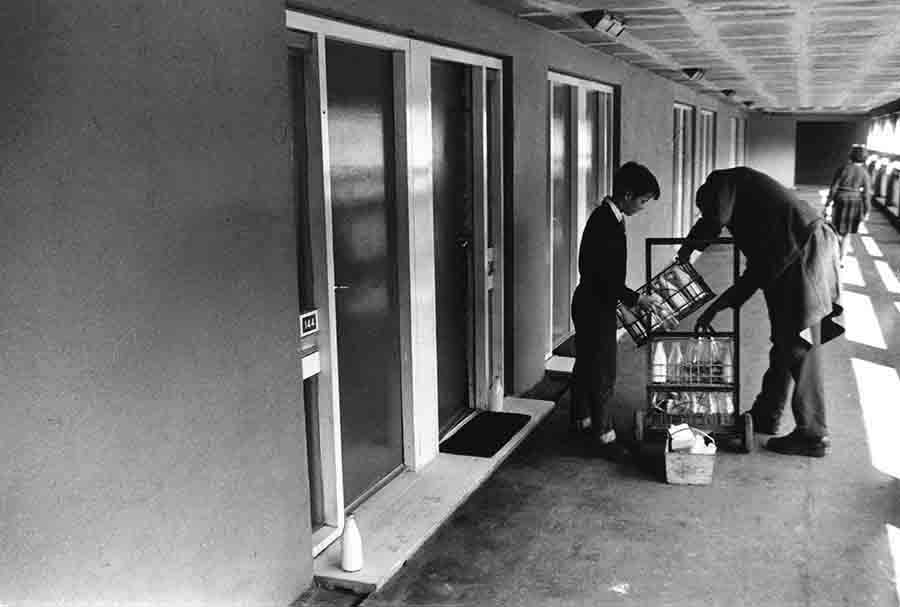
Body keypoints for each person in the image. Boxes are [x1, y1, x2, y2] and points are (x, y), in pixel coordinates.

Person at [677, 167, 844, 457]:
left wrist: (687, 249)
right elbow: (754, 275)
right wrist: (717, 306)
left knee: (798, 345)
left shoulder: (724, 180)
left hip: (804, 251)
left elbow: (715, 218)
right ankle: (767, 415)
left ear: (711, 196)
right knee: (785, 343)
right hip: (803, 250)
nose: (723, 226)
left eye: (705, 210)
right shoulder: (759, 218)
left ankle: (813, 434)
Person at [571, 161, 668, 448]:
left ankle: (581, 418)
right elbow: (598, 275)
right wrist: (635, 299)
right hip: (593, 304)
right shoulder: (604, 222)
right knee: (603, 371)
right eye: (642, 200)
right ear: (626, 195)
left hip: (593, 301)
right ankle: (604, 436)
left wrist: (623, 306)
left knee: (587, 363)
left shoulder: (611, 218)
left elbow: (604, 276)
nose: (643, 207)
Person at [825, 144, 872, 266]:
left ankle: (835, 254)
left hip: (840, 200)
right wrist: (867, 211)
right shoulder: (864, 173)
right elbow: (867, 194)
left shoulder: (843, 169)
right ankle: (841, 260)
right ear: (864, 158)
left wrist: (828, 203)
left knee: (836, 229)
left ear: (850, 156)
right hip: (855, 202)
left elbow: (834, 187)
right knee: (847, 234)